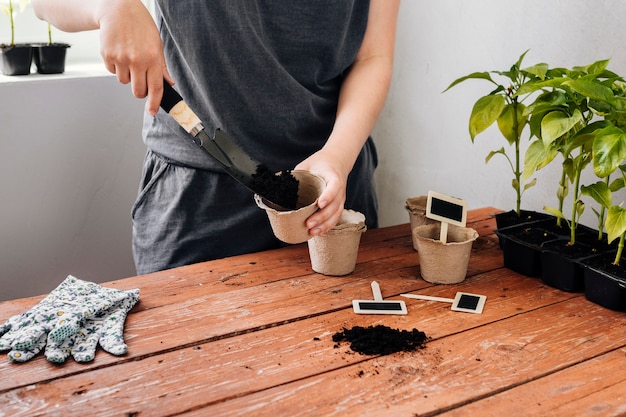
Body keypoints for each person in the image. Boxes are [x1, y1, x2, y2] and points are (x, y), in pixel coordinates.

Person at [32, 0, 400, 274]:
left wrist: (338, 156)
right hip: (199, 205)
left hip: (331, 191)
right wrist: (112, 6)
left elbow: (372, 56)